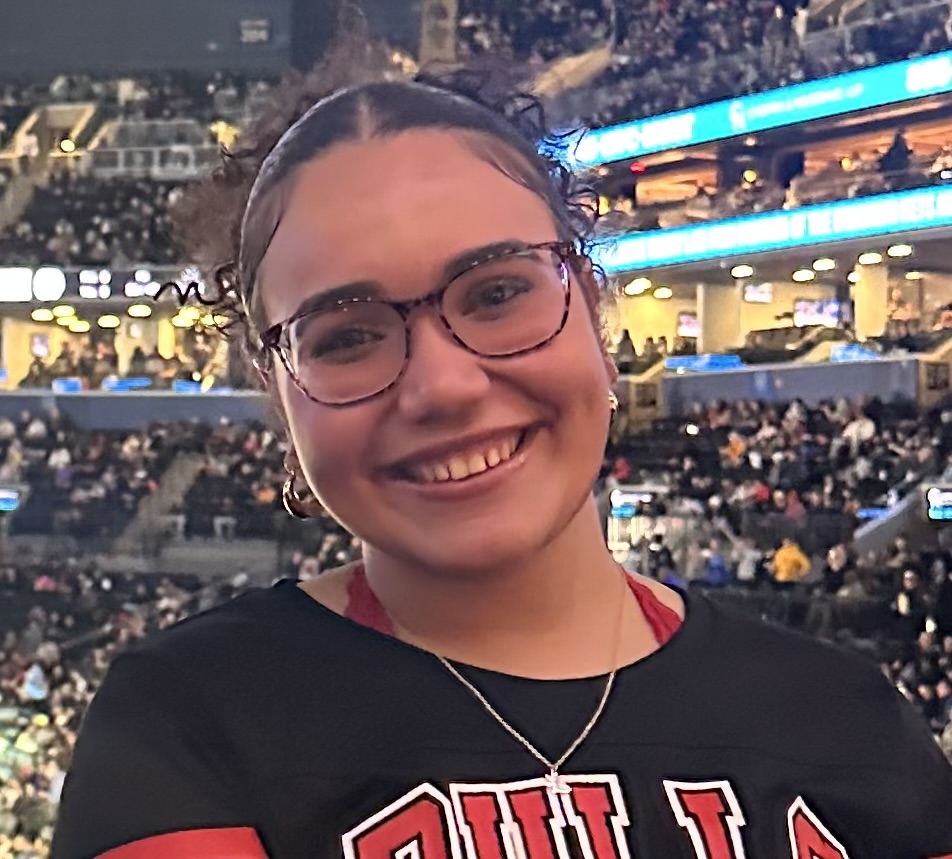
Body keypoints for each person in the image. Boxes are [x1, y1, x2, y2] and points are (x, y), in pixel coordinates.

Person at [51, 35, 952, 859]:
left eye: (495, 293)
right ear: (278, 396)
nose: (443, 385)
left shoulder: (852, 727)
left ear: (593, 305)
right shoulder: (188, 725)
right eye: (347, 334)